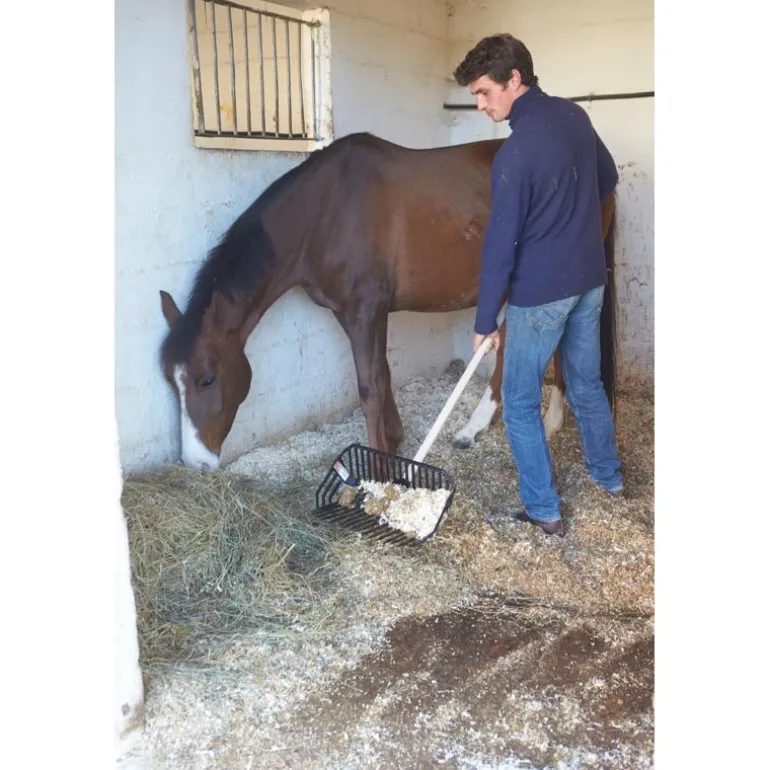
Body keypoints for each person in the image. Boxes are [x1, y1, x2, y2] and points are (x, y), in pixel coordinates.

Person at [453, 34, 623, 537]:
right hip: (589, 279)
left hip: (542, 294)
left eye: (485, 92)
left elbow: (500, 247)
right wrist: (571, 224)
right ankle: (609, 479)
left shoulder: (515, 154)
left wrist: (485, 321)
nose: (481, 105)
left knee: (521, 401)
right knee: (586, 383)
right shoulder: (574, 116)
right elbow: (608, 178)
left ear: (514, 80)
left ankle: (543, 509)